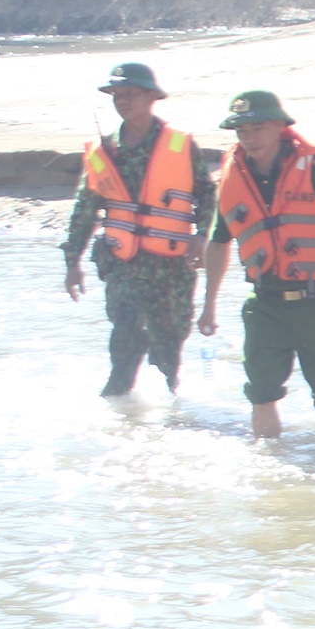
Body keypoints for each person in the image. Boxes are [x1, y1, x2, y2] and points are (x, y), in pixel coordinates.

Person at [197, 91, 315, 436]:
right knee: (261, 394)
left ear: (279, 126)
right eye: (241, 131)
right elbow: (218, 243)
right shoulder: (232, 178)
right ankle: (270, 471)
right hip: (264, 304)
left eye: (257, 128)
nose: (249, 137)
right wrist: (208, 306)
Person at [62, 62, 211, 398]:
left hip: (172, 269)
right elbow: (85, 208)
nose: (121, 100)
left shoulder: (180, 145)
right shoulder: (105, 152)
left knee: (168, 350)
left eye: (129, 94)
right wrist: (73, 261)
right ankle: (117, 415)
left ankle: (175, 411)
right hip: (123, 266)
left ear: (151, 96)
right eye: (116, 94)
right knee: (124, 341)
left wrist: (201, 236)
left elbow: (207, 193)